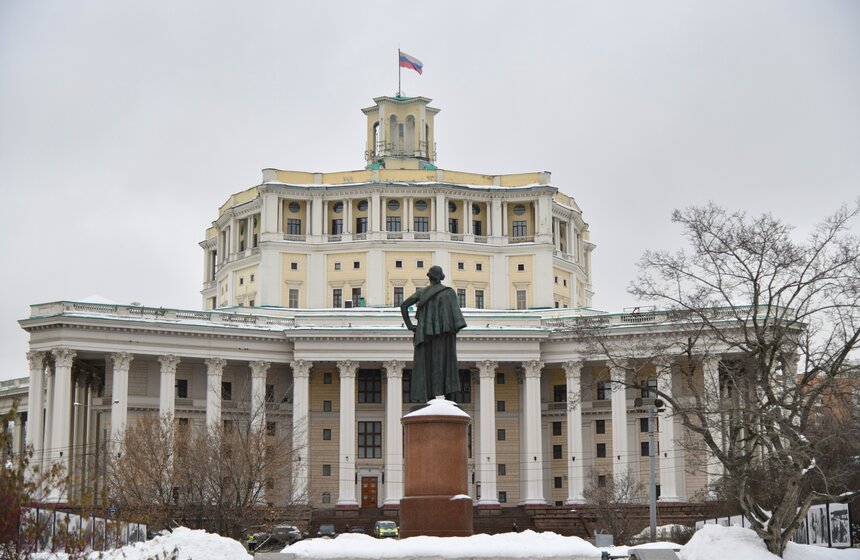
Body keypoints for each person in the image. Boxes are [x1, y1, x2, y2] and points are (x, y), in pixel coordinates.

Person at [400, 266, 467, 402]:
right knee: (447, 362)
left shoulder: (422, 292)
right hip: (444, 336)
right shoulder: (449, 292)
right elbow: (457, 319)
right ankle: (450, 395)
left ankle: (428, 397)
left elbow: (404, 306)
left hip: (425, 336)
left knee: (426, 363)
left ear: (429, 277)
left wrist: (410, 326)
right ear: (441, 276)